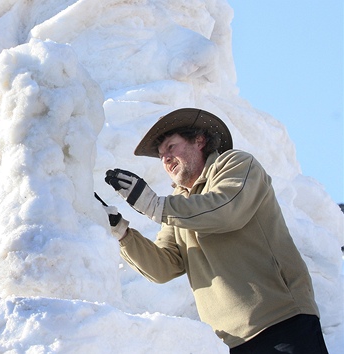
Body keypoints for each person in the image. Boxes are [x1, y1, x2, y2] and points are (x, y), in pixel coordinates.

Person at [100, 108, 328, 353]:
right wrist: (121, 231)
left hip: (282, 321)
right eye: (161, 154)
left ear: (199, 141)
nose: (165, 158)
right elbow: (164, 268)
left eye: (171, 147)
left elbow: (227, 210)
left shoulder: (236, 164)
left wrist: (154, 205)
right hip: (231, 342)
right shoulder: (178, 204)